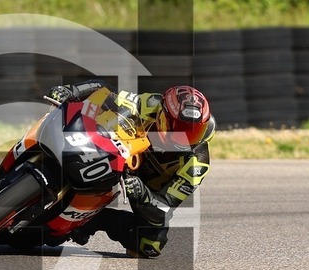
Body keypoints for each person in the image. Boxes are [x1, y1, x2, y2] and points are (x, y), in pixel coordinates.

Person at [47, 79, 215, 258]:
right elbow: (105, 91)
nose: (184, 139)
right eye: (179, 129)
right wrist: (72, 91)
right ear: (162, 116)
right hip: (122, 153)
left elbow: (164, 208)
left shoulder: (197, 164)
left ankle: (91, 221)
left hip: (147, 191)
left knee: (149, 245)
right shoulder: (150, 104)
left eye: (193, 132)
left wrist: (142, 193)